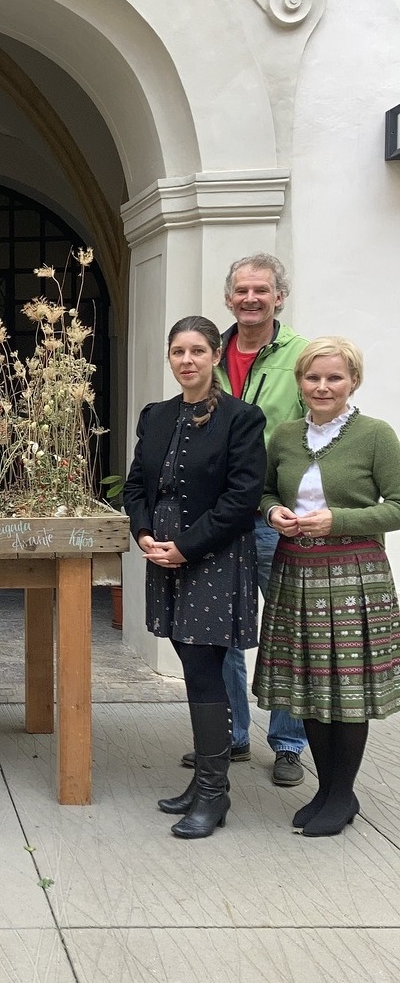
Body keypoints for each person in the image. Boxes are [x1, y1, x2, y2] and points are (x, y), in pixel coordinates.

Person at [123, 317, 266, 838]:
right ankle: (207, 780)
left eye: (198, 351)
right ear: (170, 357)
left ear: (215, 355)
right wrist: (143, 533)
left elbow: (242, 498)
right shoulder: (156, 415)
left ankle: (213, 793)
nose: (187, 360)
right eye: (178, 351)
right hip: (163, 554)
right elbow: (136, 485)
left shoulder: (241, 418)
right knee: (190, 661)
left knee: (205, 667)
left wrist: (186, 546)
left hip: (213, 554)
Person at [254, 338, 400, 836]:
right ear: (300, 382)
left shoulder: (376, 435)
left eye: (334, 377)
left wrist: (339, 520)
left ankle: (342, 794)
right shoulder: (285, 435)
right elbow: (265, 491)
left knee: (347, 686)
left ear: (352, 381)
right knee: (310, 684)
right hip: (295, 571)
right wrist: (273, 512)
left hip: (354, 575)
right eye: (312, 377)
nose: (322, 386)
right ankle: (325, 790)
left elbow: (398, 505)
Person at [189, 253, 309, 785]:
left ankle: (288, 742)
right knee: (223, 627)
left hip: (272, 513)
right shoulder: (211, 353)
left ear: (279, 296)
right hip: (218, 514)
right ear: (228, 298)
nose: (251, 298)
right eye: (241, 290)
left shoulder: (301, 354)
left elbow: (315, 429)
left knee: (286, 626)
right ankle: (232, 735)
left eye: (261, 290)